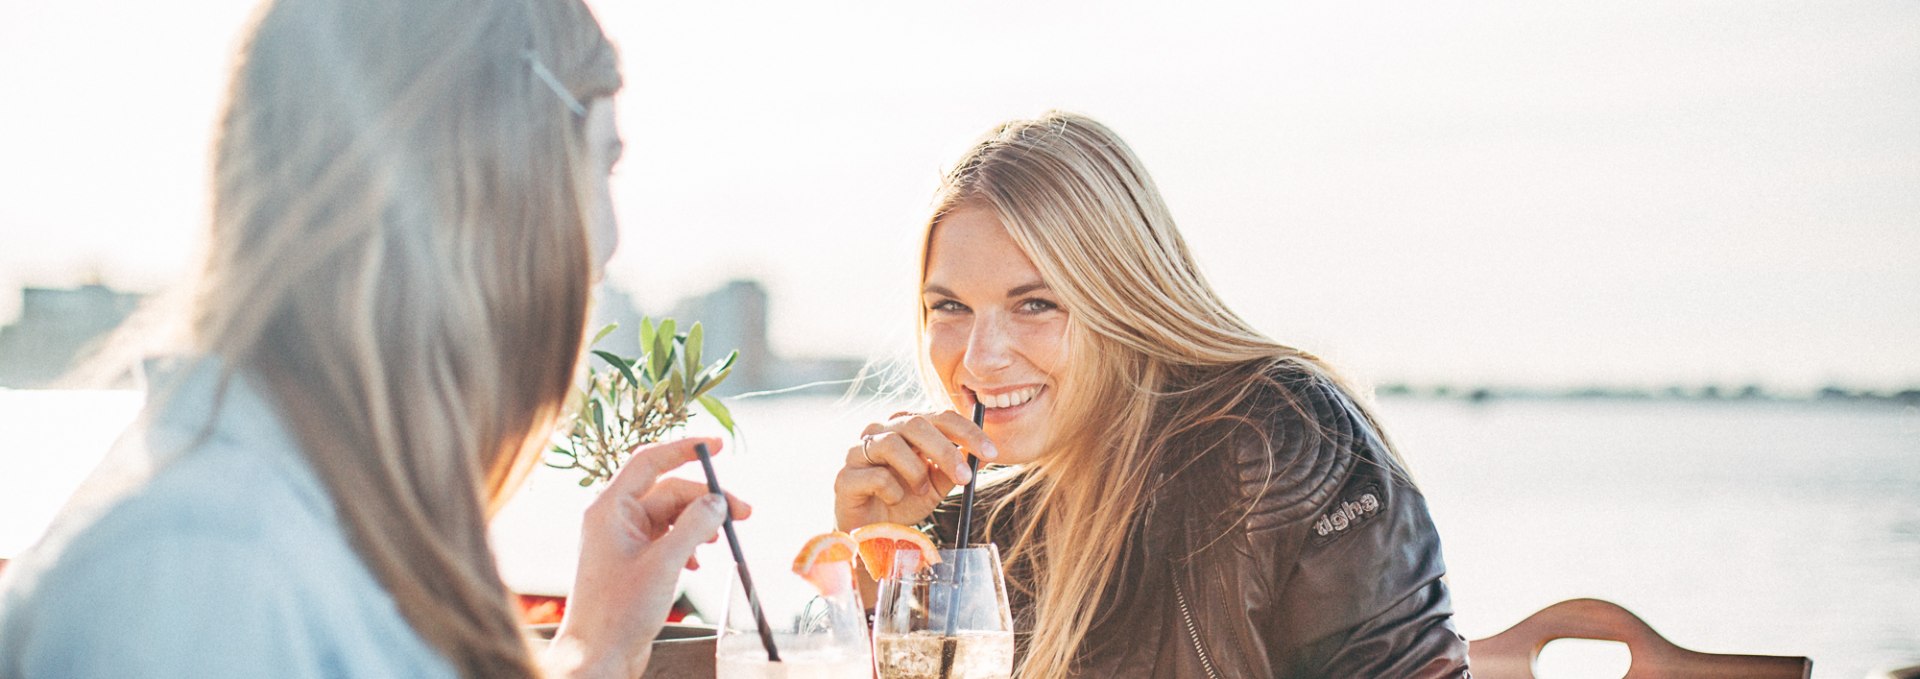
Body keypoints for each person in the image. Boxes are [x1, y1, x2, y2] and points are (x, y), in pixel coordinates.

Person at [0, 0, 748, 677]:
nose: (608, 241)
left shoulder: (309, 519)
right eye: (602, 163)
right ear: (494, 184)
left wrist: (600, 644)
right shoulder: (202, 571)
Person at [833, 111, 1470, 677]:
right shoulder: (968, 517)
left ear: (1123, 297)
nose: (979, 358)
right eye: (950, 307)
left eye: (1035, 303)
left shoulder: (1277, 439)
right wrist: (874, 570)